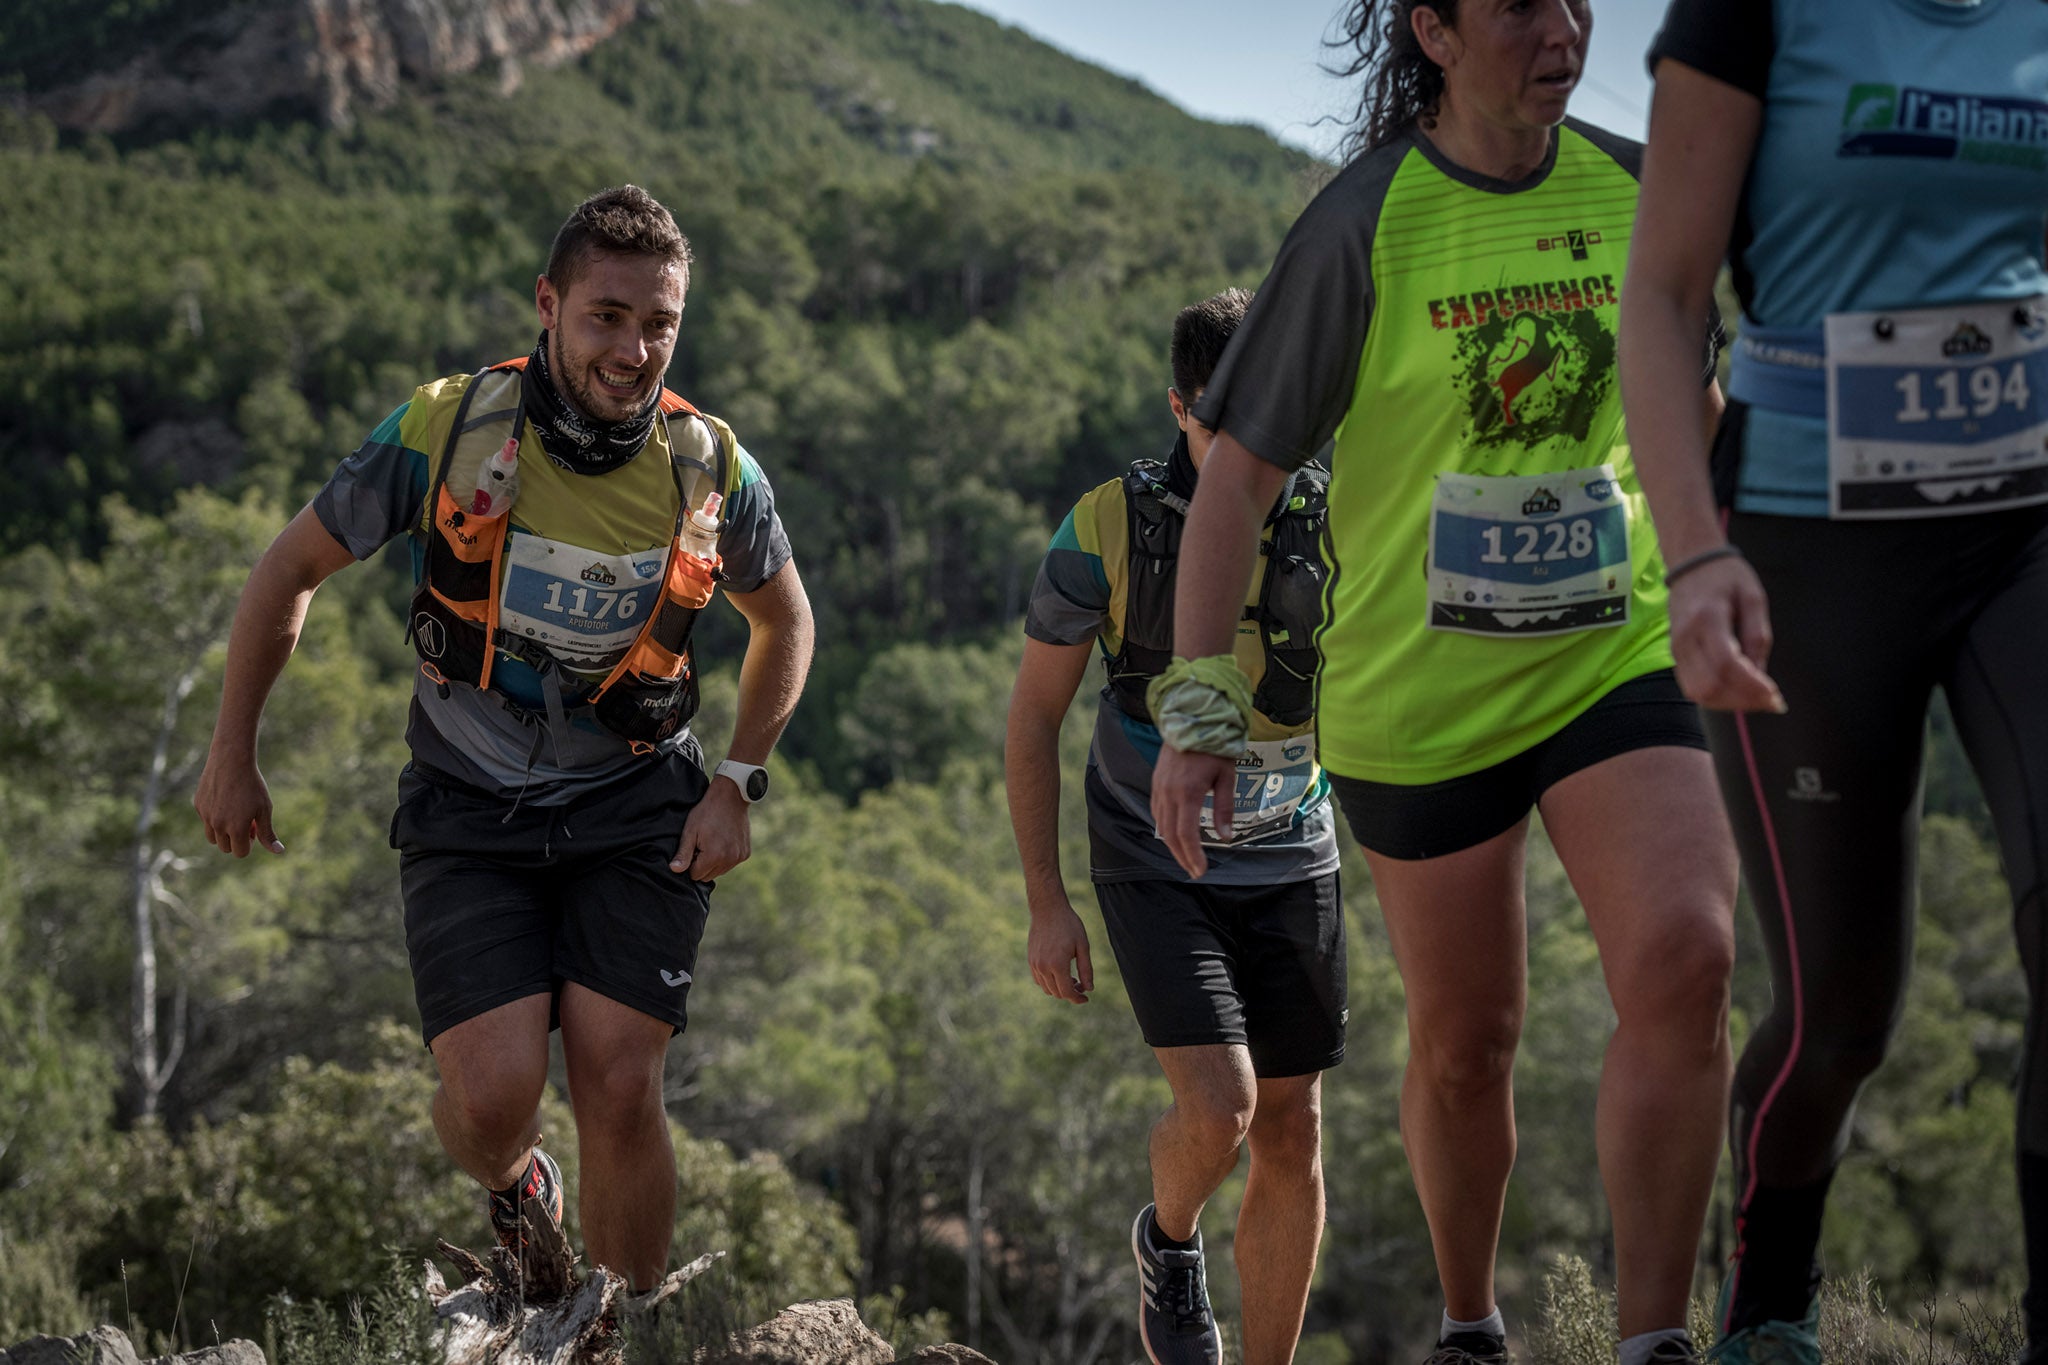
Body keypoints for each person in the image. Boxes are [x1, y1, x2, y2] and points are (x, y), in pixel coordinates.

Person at [1145, 4, 1737, 1363]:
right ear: (1435, 28)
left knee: (1690, 958)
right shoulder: (1364, 222)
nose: (1567, 26)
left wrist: (1746, 572)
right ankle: (1472, 1322)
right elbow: (1234, 478)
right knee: (1469, 1044)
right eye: (1519, 2)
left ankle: (1656, 1338)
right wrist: (1198, 718)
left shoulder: (1638, 187)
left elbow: (1693, 409)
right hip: (1422, 702)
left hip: (1617, 654)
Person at [193, 185, 814, 1297]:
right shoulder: (446, 426)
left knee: (621, 1083)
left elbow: (786, 619)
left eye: (658, 324)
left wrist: (736, 780)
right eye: (607, 316)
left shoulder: (707, 464)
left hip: (636, 801)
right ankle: (520, 1184)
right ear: (548, 304)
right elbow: (288, 571)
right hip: (468, 799)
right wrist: (232, 747)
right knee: (491, 1103)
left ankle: (610, 1333)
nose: (632, 349)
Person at [1621, 0, 2048, 1359]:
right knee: (1840, 1016)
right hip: (1808, 549)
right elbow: (1666, 294)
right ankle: (1773, 1297)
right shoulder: (1755, 9)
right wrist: (1694, 559)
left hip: (2027, 530)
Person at [1005, 288, 1346, 1365]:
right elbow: (1032, 716)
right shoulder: (1106, 524)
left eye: (1270, 419)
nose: (1248, 448)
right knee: (1224, 1110)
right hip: (1149, 855)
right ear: (1176, 407)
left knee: (1291, 1130)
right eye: (1218, 421)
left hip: (1294, 852)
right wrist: (1045, 903)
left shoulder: (1335, 515)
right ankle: (1167, 1236)